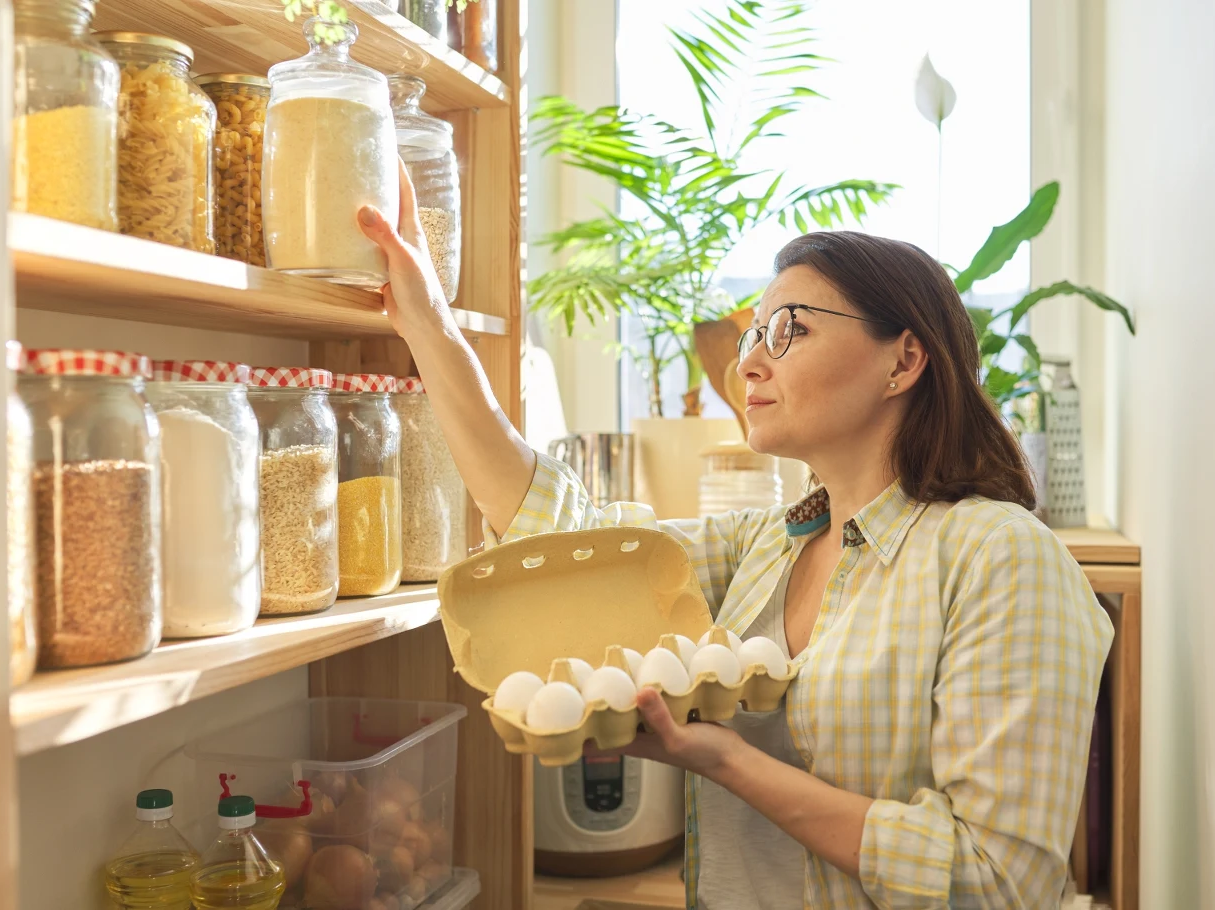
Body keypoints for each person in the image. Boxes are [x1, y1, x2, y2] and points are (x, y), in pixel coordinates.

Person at [356, 162, 1113, 909]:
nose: (747, 361)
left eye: (789, 330)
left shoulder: (999, 557)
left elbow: (997, 882)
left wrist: (728, 761)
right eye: (754, 331)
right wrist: (428, 321)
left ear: (904, 360)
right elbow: (557, 535)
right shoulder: (768, 547)